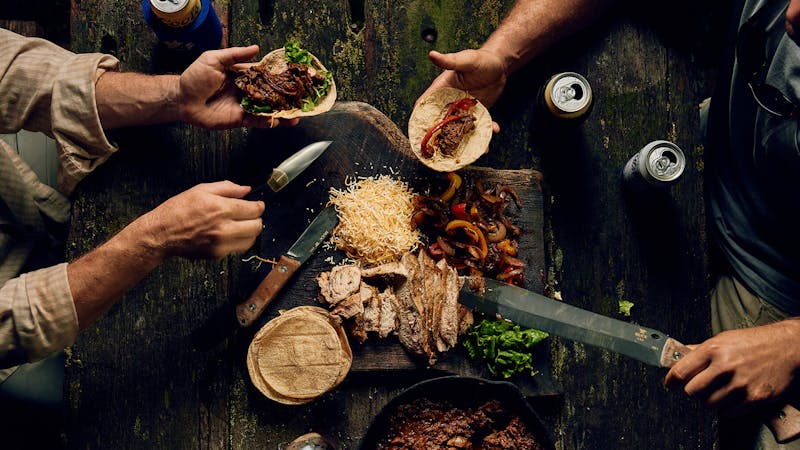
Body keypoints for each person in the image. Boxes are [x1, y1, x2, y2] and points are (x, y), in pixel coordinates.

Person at [417, 0, 800, 448]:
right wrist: (502, 55)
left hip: (777, 284)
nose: (792, 15)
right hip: (707, 161)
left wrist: (790, 345)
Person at [0, 27, 291, 441]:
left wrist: (178, 96)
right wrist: (154, 237)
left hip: (19, 190)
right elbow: (12, 325)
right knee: (71, 406)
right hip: (16, 339)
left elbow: (14, 73)